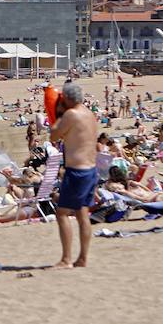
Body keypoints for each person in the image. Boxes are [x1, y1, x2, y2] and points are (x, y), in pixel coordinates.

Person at [50, 82, 98, 269]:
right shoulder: (89, 114)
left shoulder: (71, 114)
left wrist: (57, 116)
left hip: (77, 171)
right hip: (90, 169)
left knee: (62, 213)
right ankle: (83, 258)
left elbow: (54, 136)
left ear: (68, 99)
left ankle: (66, 259)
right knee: (82, 213)